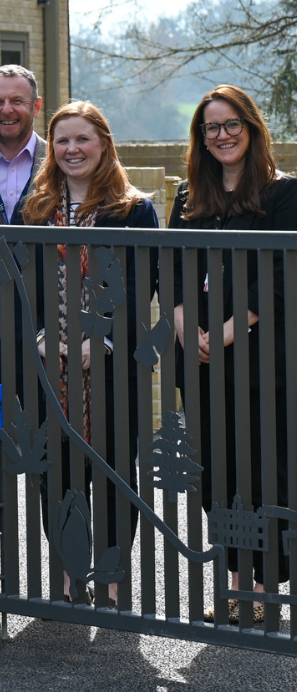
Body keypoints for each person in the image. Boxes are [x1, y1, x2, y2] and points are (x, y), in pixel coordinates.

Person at [21, 100, 158, 608]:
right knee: (56, 473)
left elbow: (141, 284)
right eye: (62, 140)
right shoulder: (35, 210)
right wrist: (42, 336)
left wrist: (101, 340)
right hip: (49, 363)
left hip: (114, 365)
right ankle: (67, 575)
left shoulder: (134, 209)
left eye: (82, 139)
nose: (72, 149)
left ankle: (112, 580)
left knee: (114, 471)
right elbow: (22, 282)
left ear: (103, 143)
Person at [168, 85, 297, 625]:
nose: (221, 135)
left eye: (231, 124)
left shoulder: (283, 194)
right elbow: (172, 269)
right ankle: (237, 581)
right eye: (211, 127)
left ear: (252, 127)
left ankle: (264, 589)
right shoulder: (189, 197)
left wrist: (223, 333)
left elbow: (279, 278)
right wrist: (184, 325)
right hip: (197, 359)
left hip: (259, 360)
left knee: (264, 474)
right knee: (215, 475)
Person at [0, 65, 46, 357]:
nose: (7, 110)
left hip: (48, 329)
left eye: (17, 101)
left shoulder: (61, 163)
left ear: (36, 107)